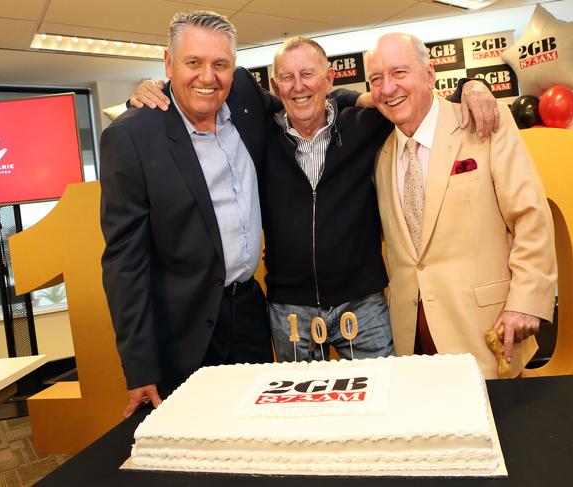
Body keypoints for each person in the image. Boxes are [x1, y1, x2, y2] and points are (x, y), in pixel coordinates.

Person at [129, 35, 499, 363]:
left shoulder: (366, 125)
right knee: (301, 419)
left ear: (329, 78)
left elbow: (417, 100)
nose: (298, 86)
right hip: (289, 311)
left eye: (308, 74)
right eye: (286, 78)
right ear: (274, 85)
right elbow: (189, 92)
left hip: (364, 304)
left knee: (382, 404)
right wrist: (150, 90)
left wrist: (471, 85)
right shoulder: (258, 136)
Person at [100, 11, 275, 418]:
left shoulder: (245, 95)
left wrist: (365, 97)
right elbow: (125, 262)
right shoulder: (131, 137)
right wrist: (140, 365)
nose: (208, 77)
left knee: (261, 434)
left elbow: (306, 101)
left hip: (249, 312)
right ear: (168, 64)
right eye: (193, 62)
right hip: (182, 333)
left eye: (220, 64)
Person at [367, 33, 557, 378]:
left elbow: (530, 216)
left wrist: (526, 303)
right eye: (377, 79)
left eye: (400, 72)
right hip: (412, 346)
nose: (388, 88)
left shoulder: (485, 123)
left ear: (429, 74)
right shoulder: (381, 156)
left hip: (488, 335)